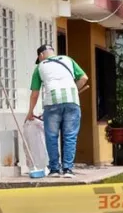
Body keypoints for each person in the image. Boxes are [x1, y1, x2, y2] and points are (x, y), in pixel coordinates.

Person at [26, 44, 89, 178]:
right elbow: (84, 78)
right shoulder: (68, 60)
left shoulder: (40, 67)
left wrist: (30, 111)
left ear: (41, 56)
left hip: (52, 103)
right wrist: (73, 90)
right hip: (72, 102)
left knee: (52, 136)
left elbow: (35, 94)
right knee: (70, 136)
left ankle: (54, 169)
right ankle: (67, 169)